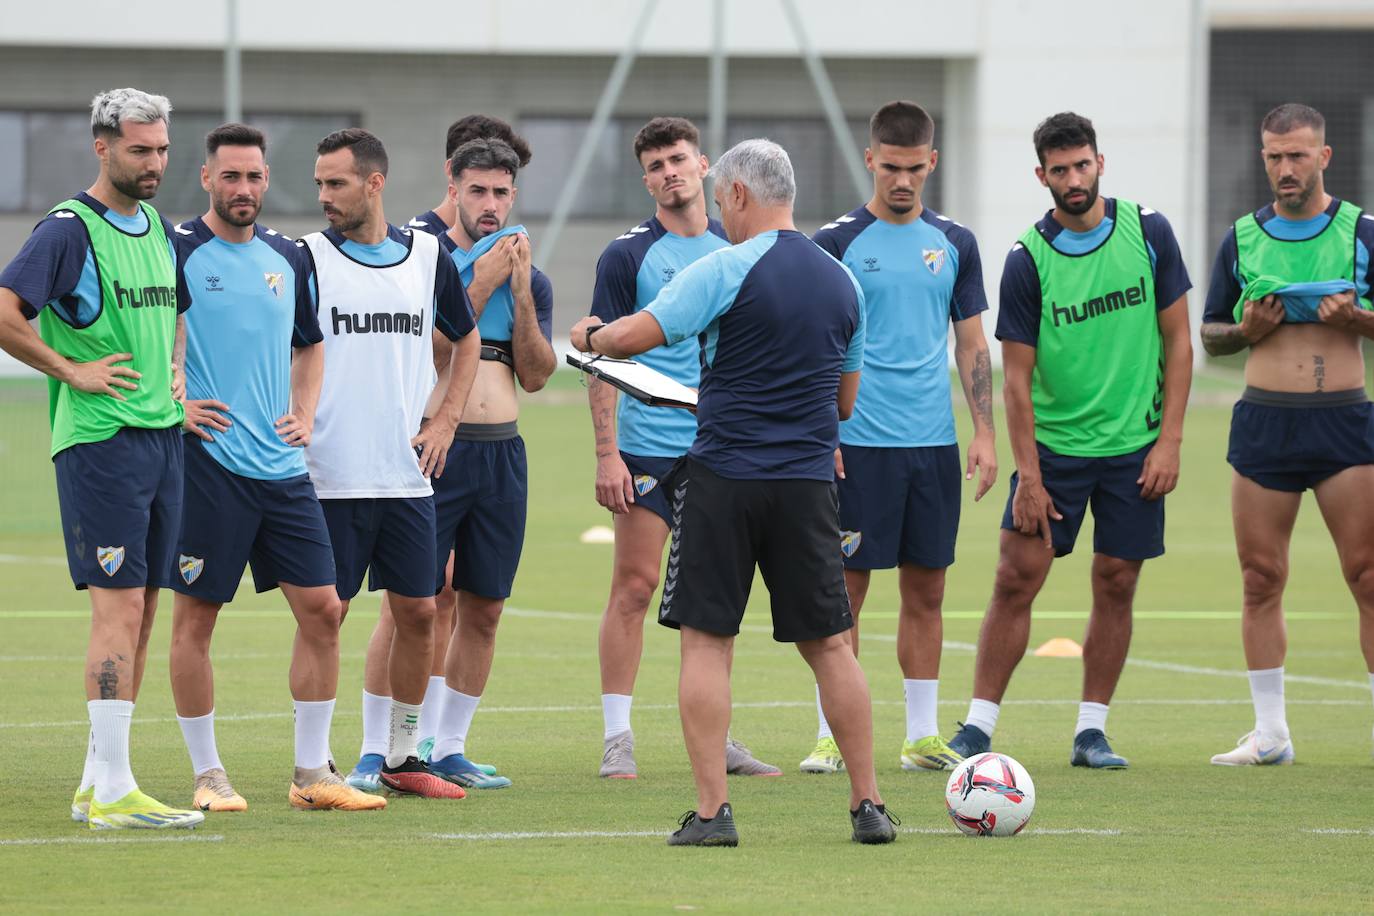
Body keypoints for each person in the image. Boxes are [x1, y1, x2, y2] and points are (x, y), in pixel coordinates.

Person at [571, 138, 896, 846]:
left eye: (723, 197)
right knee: (833, 647)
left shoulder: (723, 267)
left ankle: (714, 814)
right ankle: (868, 805)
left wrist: (590, 332)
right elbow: (845, 401)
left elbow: (632, 336)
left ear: (741, 195)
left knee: (707, 644)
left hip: (723, 480)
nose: (722, 209)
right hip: (808, 485)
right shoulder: (843, 282)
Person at [946, 112, 1193, 769]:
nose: (1073, 179)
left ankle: (1091, 731)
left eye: (1082, 165)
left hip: (1135, 448)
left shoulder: (1150, 231)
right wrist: (1029, 476)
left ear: (1100, 163)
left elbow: (1178, 341)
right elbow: (1017, 384)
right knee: (1014, 578)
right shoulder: (1027, 259)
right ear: (1042, 176)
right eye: (1060, 170)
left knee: (1116, 581)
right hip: (1054, 452)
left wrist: (1169, 441)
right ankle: (977, 726)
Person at [0, 88, 203, 830]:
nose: (154, 165)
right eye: (139, 151)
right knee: (117, 610)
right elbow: (5, 313)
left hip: (161, 437)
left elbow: (175, 310)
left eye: (161, 151)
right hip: (100, 443)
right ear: (102, 147)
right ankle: (116, 790)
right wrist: (71, 371)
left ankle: (99, 781)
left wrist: (176, 367)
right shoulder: (67, 229)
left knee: (146, 611)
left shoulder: (157, 227)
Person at [164, 123, 382, 813]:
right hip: (209, 466)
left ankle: (312, 772)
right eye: (230, 176)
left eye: (254, 176)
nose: (244, 189)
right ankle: (208, 775)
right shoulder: (176, 249)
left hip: (283, 469)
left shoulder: (290, 257)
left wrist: (305, 411)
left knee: (325, 610)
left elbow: (310, 346)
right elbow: (148, 332)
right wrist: (176, 397)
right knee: (196, 621)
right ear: (206, 179)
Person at [348, 138, 556, 792]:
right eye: (478, 192)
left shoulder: (531, 273)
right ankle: (373, 750)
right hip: (434, 449)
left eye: (500, 193)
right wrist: (486, 277)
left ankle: (447, 746)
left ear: (514, 196)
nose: (490, 206)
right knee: (415, 601)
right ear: (454, 188)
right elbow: (432, 351)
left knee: (484, 606)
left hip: (502, 455)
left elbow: (539, 373)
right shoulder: (426, 260)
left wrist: (520, 295)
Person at [586, 116, 779, 780]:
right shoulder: (627, 255)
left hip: (723, 449)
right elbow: (601, 355)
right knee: (635, 587)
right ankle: (618, 737)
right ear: (646, 181)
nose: (669, 172)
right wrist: (606, 453)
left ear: (704, 167)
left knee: (715, 597)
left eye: (677, 159)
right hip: (646, 449)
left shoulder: (739, 246)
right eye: (655, 165)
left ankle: (718, 735)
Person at [805, 100, 994, 775]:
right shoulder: (835, 242)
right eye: (891, 168)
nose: (903, 180)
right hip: (857, 445)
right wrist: (821, 432)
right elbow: (818, 344)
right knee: (845, 592)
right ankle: (831, 733)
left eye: (915, 168)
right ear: (870, 161)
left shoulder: (956, 243)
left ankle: (920, 734)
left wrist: (983, 434)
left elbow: (971, 342)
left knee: (928, 590)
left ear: (932, 162)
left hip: (932, 447)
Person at [304, 128, 479, 799]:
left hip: (406, 478)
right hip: (328, 474)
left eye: (336, 183)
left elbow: (465, 339)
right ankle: (313, 763)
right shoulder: (308, 258)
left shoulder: (429, 256)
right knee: (328, 615)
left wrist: (445, 418)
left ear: (374, 183)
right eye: (320, 183)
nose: (324, 196)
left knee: (421, 612)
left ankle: (406, 758)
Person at [1199, 103, 1374, 765]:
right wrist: (1247, 332)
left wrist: (1355, 320)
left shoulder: (1362, 230)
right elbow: (1211, 334)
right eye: (1274, 156)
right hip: (1264, 423)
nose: (1285, 168)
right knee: (1260, 578)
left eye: (1297, 155)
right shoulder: (1241, 238)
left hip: (1344, 423)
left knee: (1367, 576)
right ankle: (1271, 733)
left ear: (1324, 157)